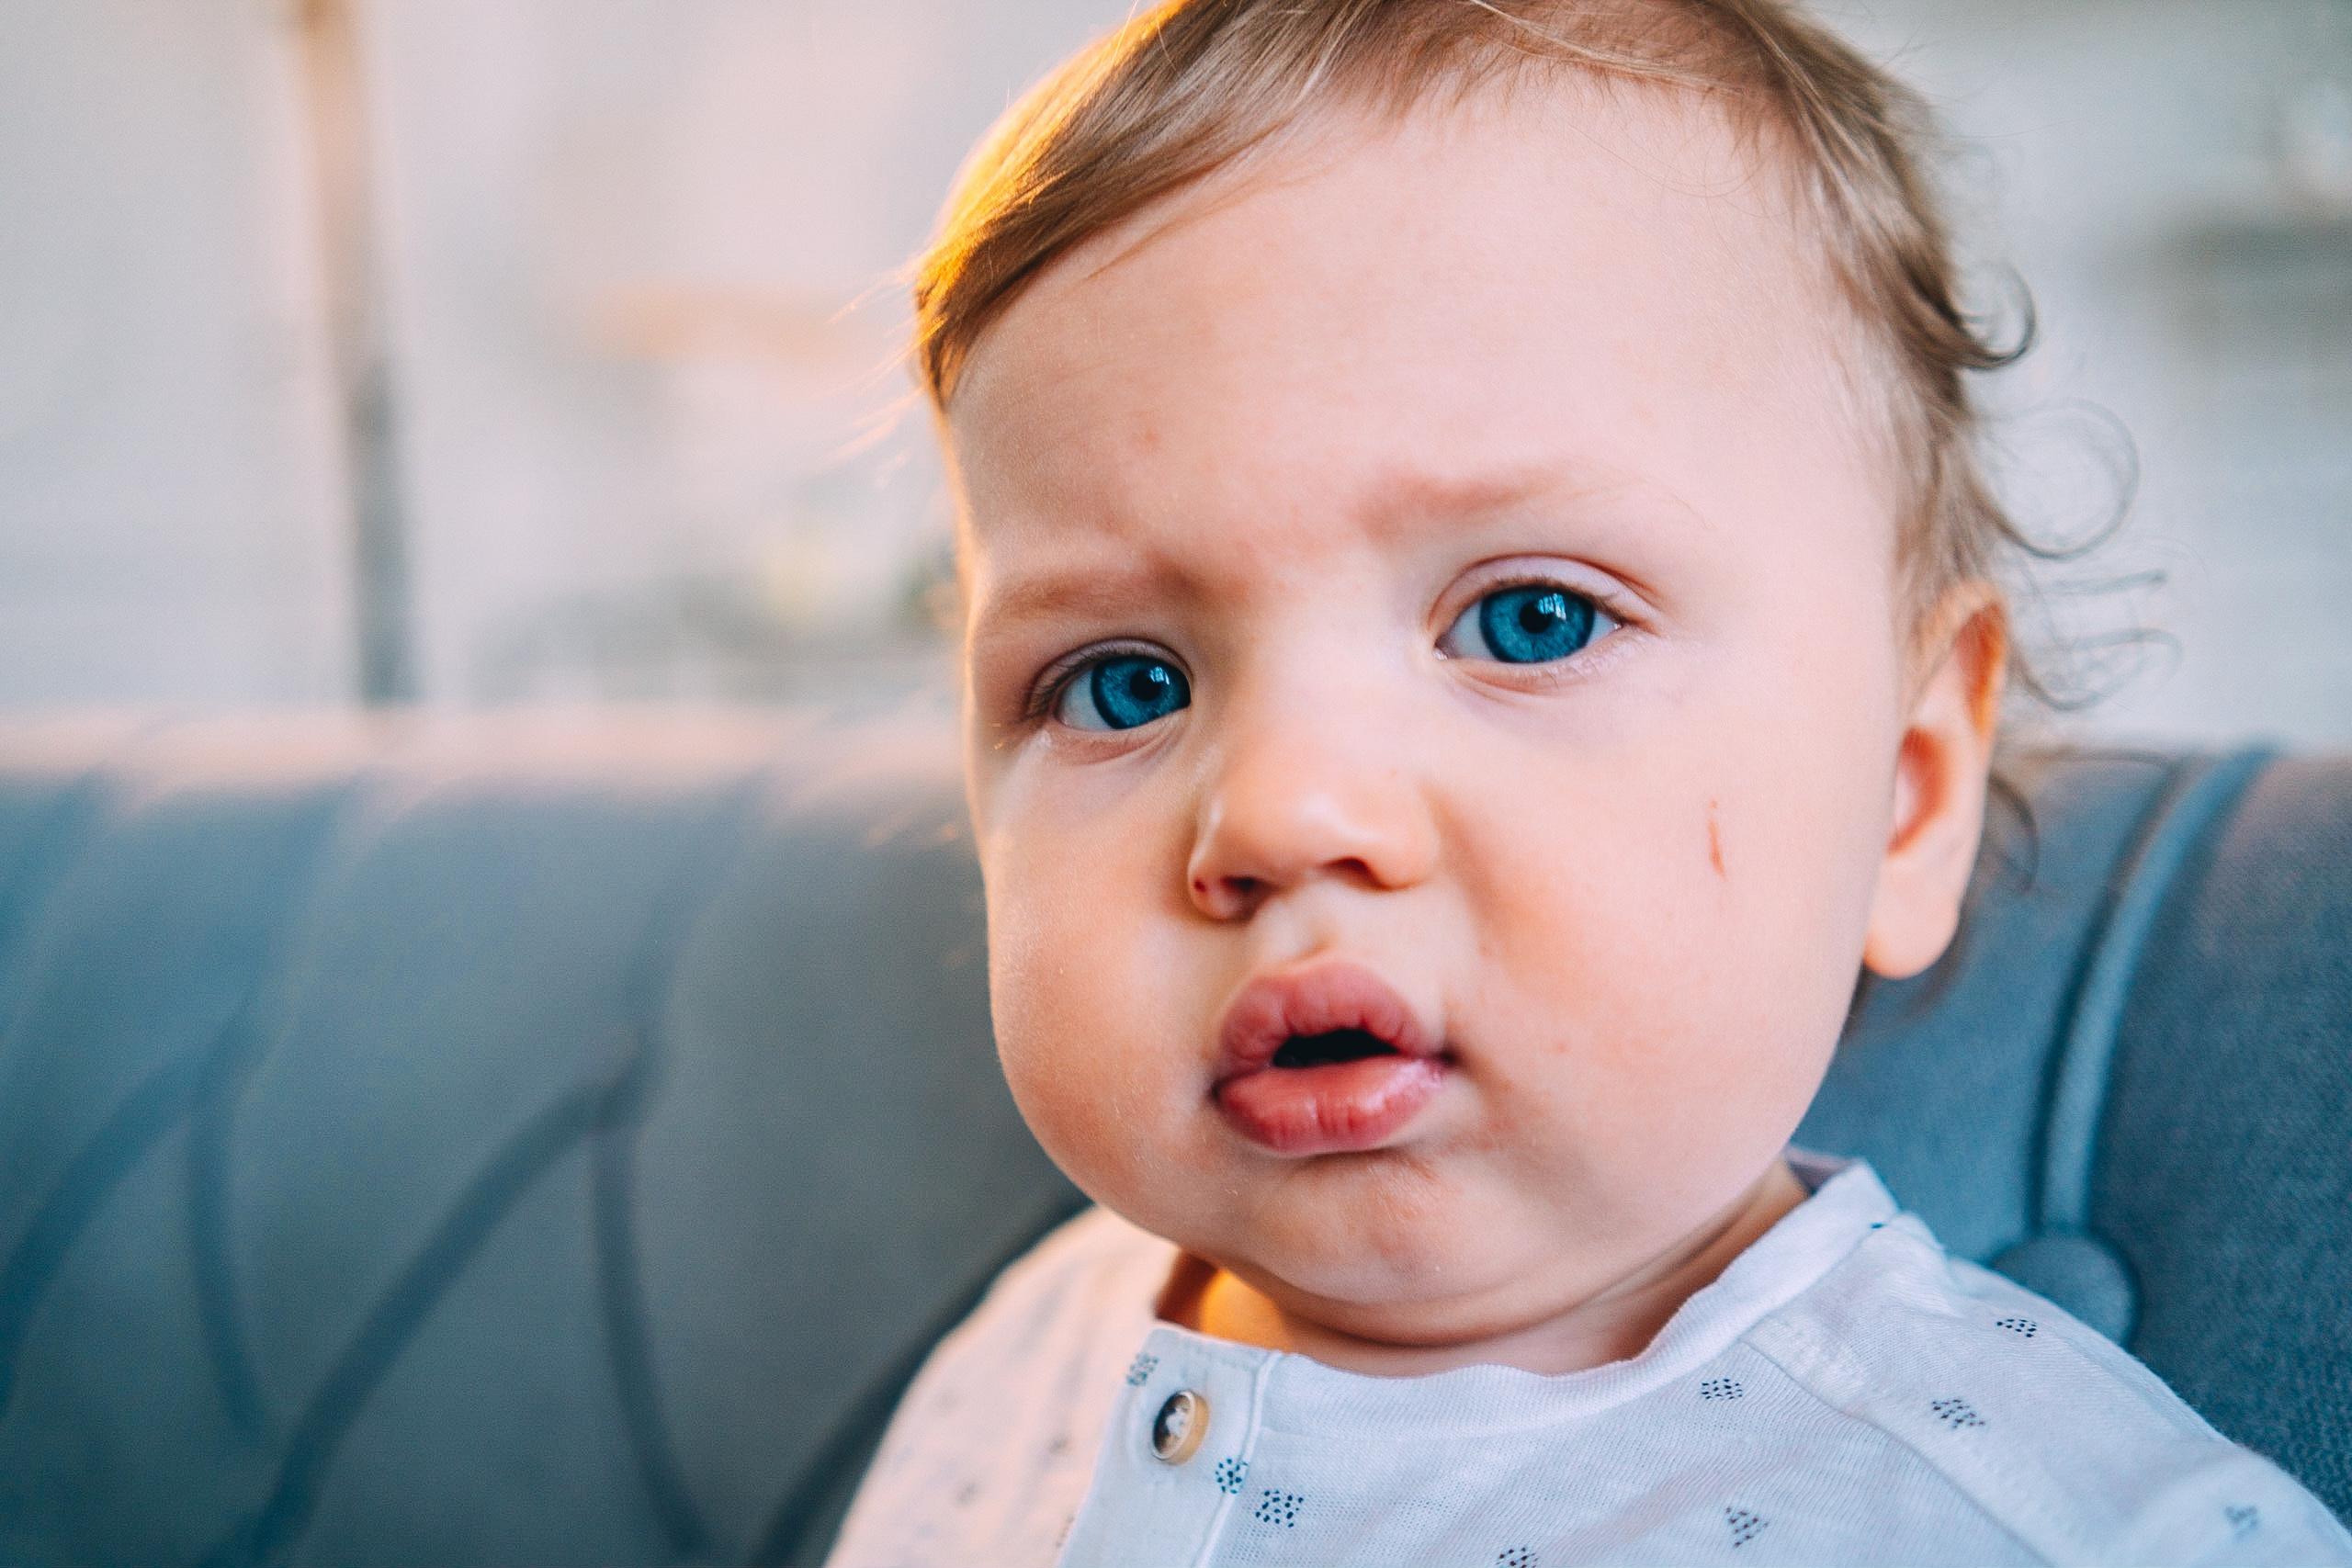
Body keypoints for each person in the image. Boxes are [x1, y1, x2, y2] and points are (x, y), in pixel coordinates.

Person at [828, 2, 2352, 1562]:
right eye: (1124, 684)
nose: (1283, 813)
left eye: (1528, 621)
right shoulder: (1038, 1338)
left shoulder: (2035, 1526)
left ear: (1904, 793)